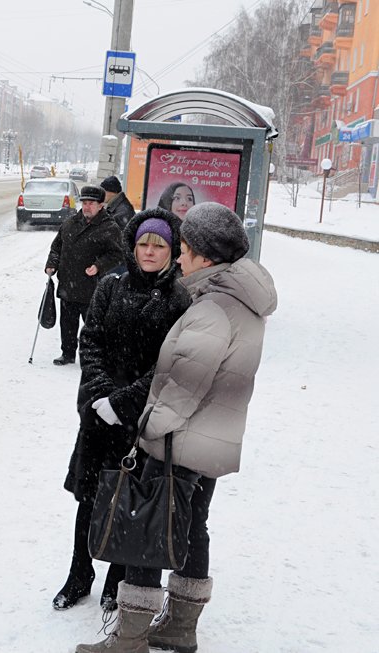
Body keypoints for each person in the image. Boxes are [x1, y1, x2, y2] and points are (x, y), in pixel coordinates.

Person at [76, 202, 278, 653]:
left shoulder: (212, 309)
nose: (179, 258)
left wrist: (142, 427)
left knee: (149, 529)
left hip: (179, 443)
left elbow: (182, 387)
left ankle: (129, 639)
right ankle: (180, 628)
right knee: (190, 527)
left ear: (205, 255)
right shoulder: (237, 301)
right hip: (212, 439)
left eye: (184, 249)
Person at [56, 209, 191, 613]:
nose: (150, 251)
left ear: (172, 250)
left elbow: (170, 364)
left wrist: (125, 402)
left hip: (142, 420)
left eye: (160, 244)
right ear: (134, 246)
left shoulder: (179, 298)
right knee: (90, 498)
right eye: (144, 243)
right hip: (99, 416)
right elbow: (91, 340)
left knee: (130, 501)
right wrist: (100, 395)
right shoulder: (111, 286)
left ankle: (118, 579)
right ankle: (79, 574)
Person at [44, 185, 125, 366]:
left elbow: (117, 254)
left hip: (92, 286)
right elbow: (56, 247)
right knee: (67, 323)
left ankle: (92, 357)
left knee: (93, 326)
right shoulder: (70, 223)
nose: (87, 207)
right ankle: (67, 353)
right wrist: (51, 264)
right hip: (67, 283)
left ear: (100, 205)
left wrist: (98, 266)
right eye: (84, 202)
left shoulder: (109, 227)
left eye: (91, 203)